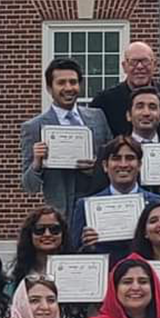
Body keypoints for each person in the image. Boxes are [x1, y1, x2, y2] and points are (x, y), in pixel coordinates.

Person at [20, 58, 112, 220]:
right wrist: (37, 163)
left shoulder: (98, 117)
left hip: (97, 208)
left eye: (73, 82)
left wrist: (96, 167)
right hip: (61, 214)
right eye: (61, 83)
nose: (68, 88)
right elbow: (29, 187)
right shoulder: (34, 127)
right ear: (49, 88)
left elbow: (113, 162)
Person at [69, 136, 160, 266]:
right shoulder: (85, 206)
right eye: (116, 158)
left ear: (140, 165)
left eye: (130, 158)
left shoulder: (158, 204)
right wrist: (87, 246)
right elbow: (73, 252)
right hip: (104, 277)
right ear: (105, 166)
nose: (123, 164)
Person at [9, 206, 89, 318]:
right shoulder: (18, 274)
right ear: (30, 235)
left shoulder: (79, 269)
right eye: (39, 230)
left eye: (54, 229)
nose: (47, 234)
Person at [89, 41, 160, 140]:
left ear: (154, 65)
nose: (139, 67)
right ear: (124, 66)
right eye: (133, 62)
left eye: (145, 61)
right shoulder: (104, 100)